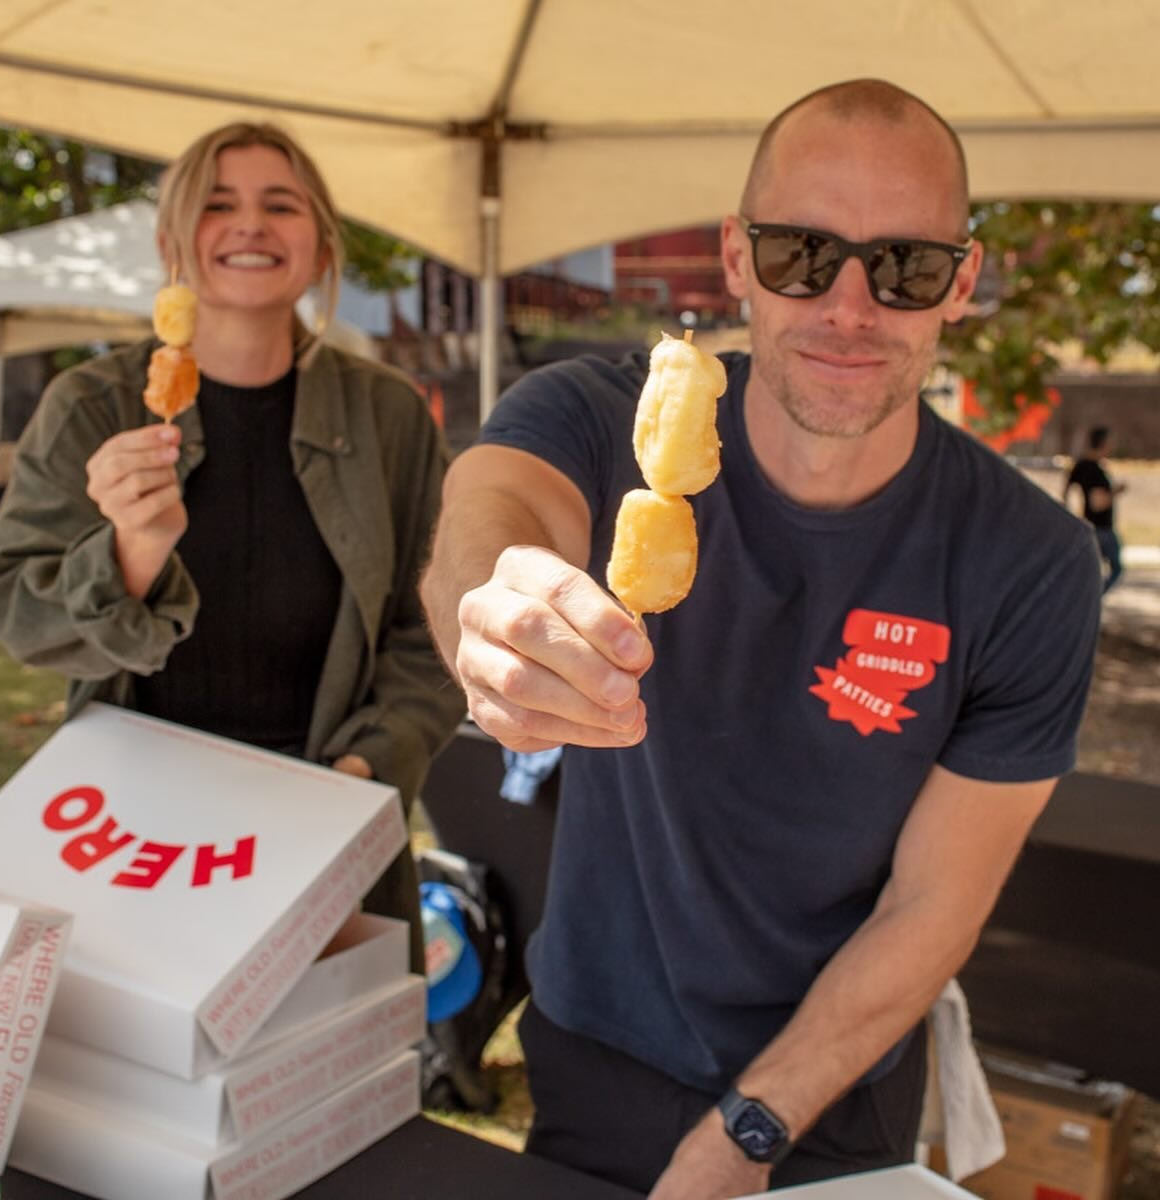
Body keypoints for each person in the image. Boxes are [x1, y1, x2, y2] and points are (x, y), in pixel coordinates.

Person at [419, 79, 1103, 1197]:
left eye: (906, 266)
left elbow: (938, 902)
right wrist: (494, 605)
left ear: (961, 285)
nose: (848, 306)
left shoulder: (1030, 563)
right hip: (597, 1047)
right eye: (802, 252)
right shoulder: (606, 416)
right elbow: (493, 510)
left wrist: (746, 1131)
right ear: (736, 258)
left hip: (839, 1083)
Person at [0, 121, 465, 971]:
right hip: (130, 824)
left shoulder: (386, 415)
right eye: (217, 205)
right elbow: (16, 609)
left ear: (319, 249)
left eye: (281, 205)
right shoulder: (91, 402)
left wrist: (362, 769)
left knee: (317, 1072)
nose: (249, 224)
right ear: (172, 244)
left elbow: (437, 626)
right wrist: (130, 551)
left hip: (324, 809)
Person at [1066, 425, 1126, 592]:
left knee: (1088, 571)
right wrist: (1115, 492)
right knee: (1116, 568)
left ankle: (1089, 599)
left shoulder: (1080, 465)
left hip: (1087, 525)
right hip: (1101, 527)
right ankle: (1094, 598)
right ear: (1104, 443)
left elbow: (1066, 492)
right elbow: (1097, 504)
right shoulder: (1095, 470)